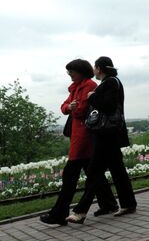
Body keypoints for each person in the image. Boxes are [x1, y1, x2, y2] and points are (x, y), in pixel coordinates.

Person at [40, 59, 118, 226]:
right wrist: (69, 107)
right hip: (79, 134)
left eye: (71, 72)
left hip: (83, 137)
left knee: (70, 175)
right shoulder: (76, 87)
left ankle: (59, 214)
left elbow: (82, 110)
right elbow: (64, 107)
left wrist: (73, 108)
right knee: (92, 173)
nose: (69, 75)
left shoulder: (89, 86)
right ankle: (109, 204)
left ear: (80, 71)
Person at [67, 56, 137, 223]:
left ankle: (80, 211)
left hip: (106, 134)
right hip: (110, 134)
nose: (94, 71)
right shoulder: (112, 82)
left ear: (99, 68)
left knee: (94, 172)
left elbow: (108, 105)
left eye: (95, 68)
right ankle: (128, 203)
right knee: (117, 170)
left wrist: (92, 96)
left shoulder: (110, 82)